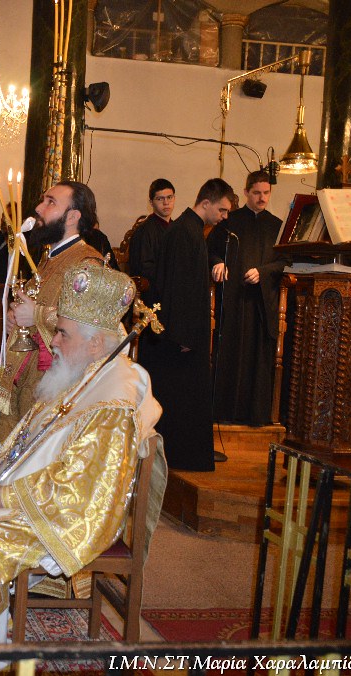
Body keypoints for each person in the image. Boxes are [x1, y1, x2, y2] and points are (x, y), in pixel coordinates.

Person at [0, 263, 162, 671]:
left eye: (63, 333)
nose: (52, 341)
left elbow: (83, 490)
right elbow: (30, 439)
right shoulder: (82, 373)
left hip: (66, 515)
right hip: (38, 497)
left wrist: (4, 495)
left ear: (96, 343)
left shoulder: (113, 399)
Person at [0, 181, 103, 441]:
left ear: (72, 217)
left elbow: (89, 327)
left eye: (50, 202)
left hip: (54, 384)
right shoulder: (48, 259)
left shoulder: (87, 263)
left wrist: (37, 315)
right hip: (28, 379)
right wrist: (15, 318)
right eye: (43, 200)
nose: (39, 208)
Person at [138, 177, 233, 472]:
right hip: (182, 334)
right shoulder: (185, 232)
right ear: (206, 203)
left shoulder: (190, 229)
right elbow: (178, 287)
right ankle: (180, 457)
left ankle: (183, 455)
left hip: (186, 330)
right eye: (222, 210)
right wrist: (184, 335)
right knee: (181, 398)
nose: (224, 217)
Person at [206, 170, 288, 426]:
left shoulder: (277, 226)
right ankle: (224, 412)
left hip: (262, 303)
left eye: (266, 193)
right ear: (246, 192)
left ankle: (256, 415)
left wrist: (262, 272)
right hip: (233, 300)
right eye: (256, 193)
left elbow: (284, 262)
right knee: (230, 354)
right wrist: (218, 263)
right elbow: (210, 251)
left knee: (258, 358)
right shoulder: (229, 222)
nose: (262, 198)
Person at [128, 179, 176, 301]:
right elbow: (143, 268)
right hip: (153, 292)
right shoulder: (144, 231)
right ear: (151, 202)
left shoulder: (177, 229)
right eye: (160, 199)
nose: (166, 203)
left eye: (169, 197)